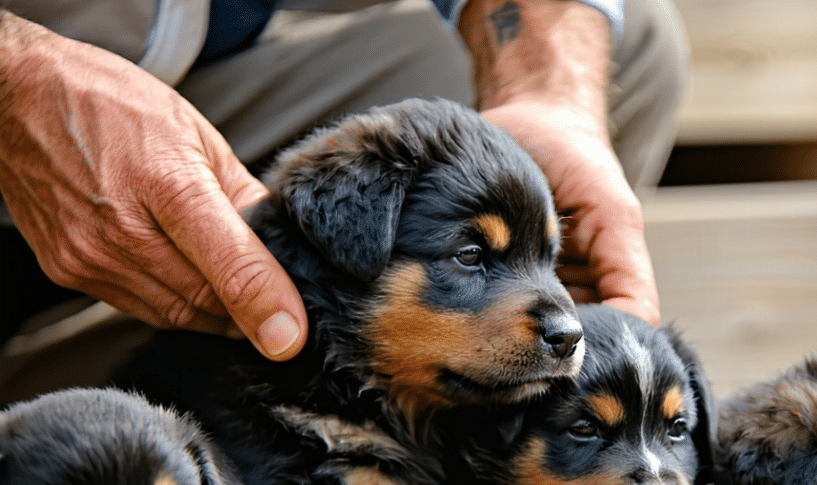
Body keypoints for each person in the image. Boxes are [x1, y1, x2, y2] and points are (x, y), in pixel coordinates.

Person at [0, 0, 685, 383]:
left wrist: (543, 87)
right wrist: (18, 82)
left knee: (634, 39)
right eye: (477, 256)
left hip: (180, 79)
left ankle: (104, 393)